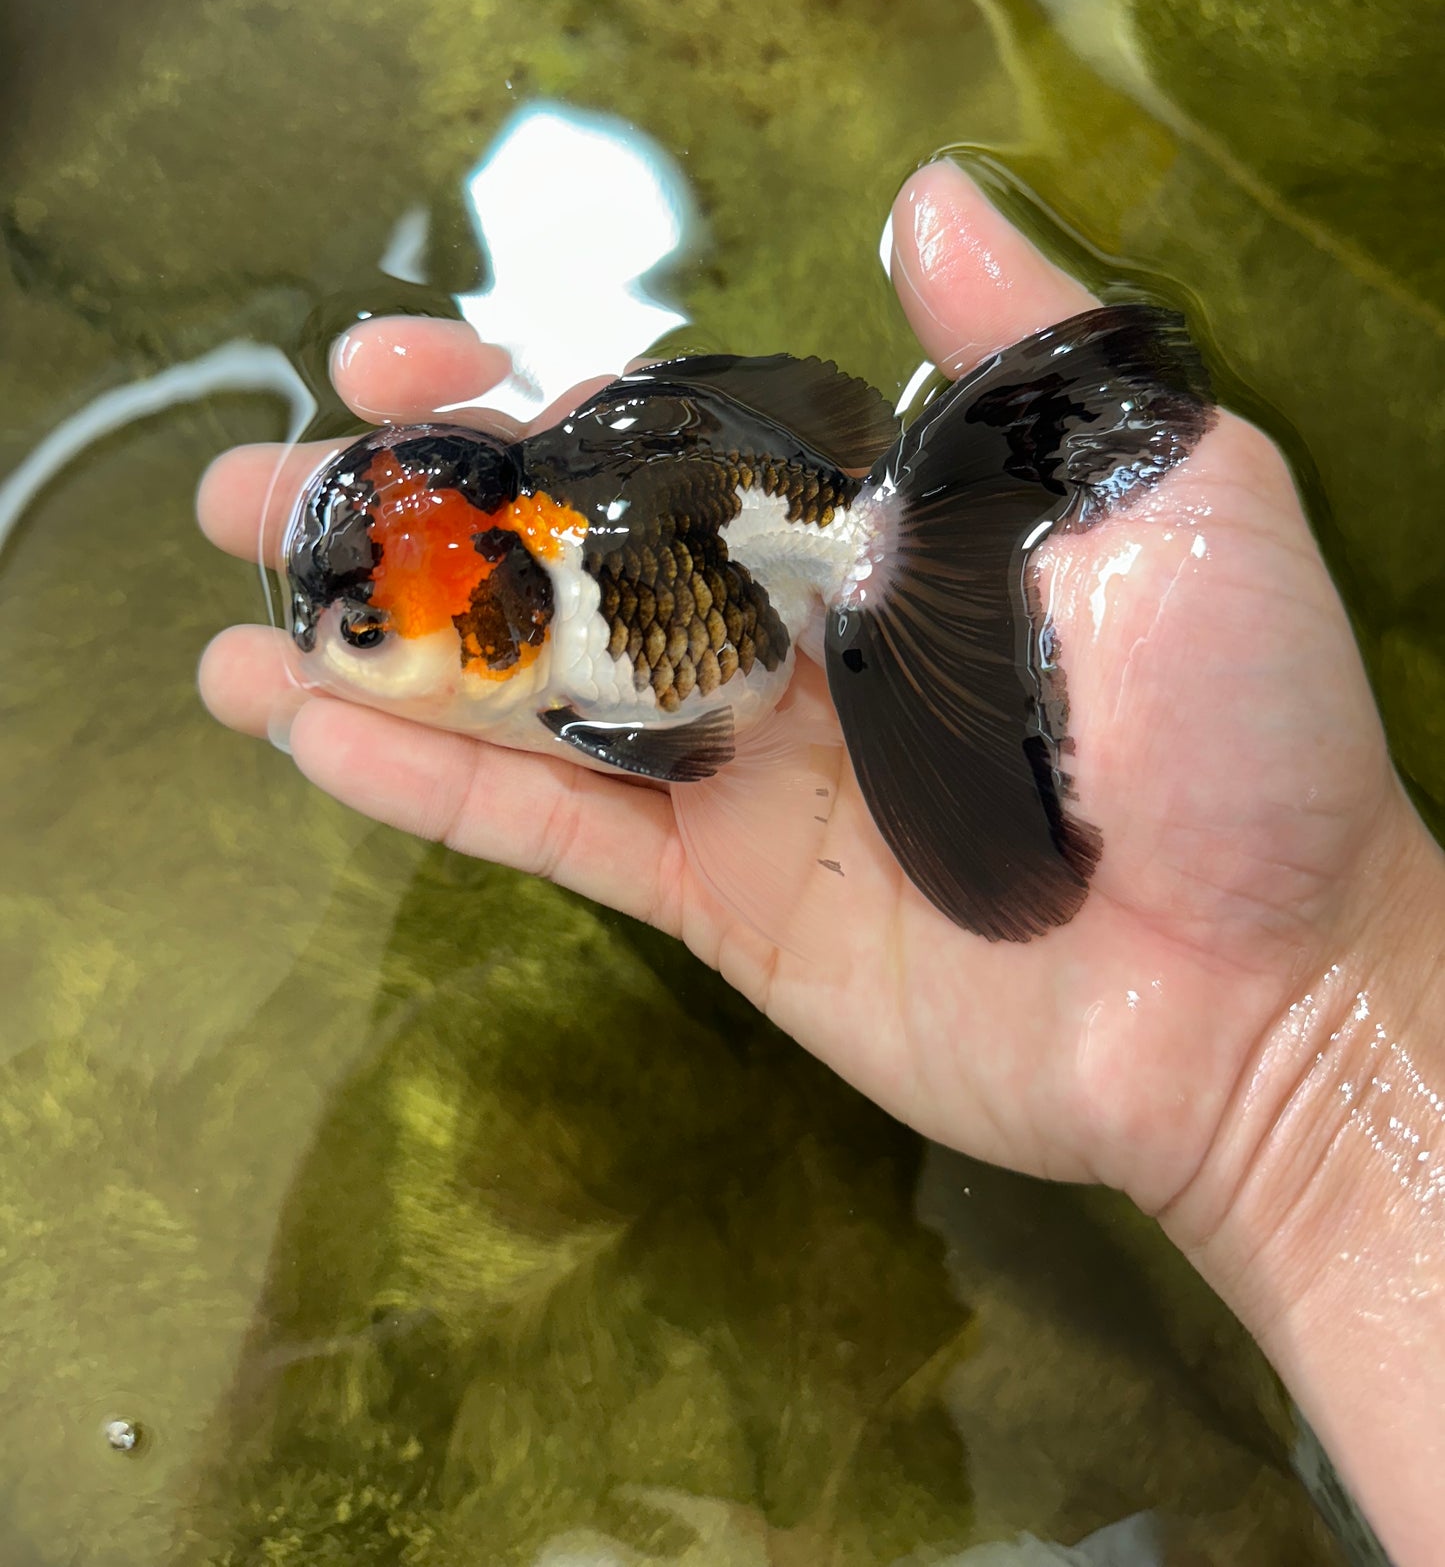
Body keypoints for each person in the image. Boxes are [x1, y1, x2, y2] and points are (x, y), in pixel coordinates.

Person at [198, 158, 1445, 1566]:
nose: (339, 658)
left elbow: (666, 724)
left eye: (365, 639)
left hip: (795, 538)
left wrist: (1300, 1034)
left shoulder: (590, 600)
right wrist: (1305, 1074)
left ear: (489, 621)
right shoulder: (540, 595)